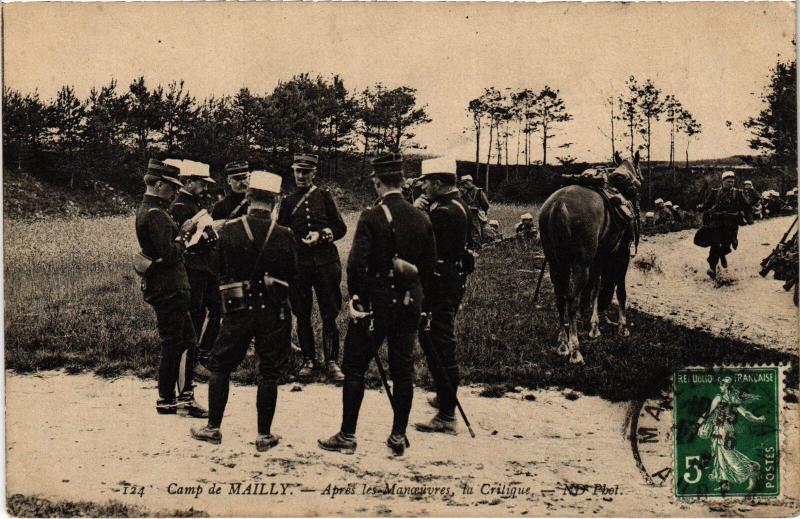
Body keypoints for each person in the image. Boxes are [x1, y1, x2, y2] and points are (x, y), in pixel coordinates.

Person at [318, 153, 436, 456]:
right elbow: (429, 265)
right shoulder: (422, 217)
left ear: (377, 181)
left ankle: (347, 435)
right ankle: (398, 435)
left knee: (355, 367)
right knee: (403, 371)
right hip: (409, 303)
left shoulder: (371, 216)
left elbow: (357, 264)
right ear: (403, 182)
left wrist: (357, 298)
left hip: (375, 304)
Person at [191, 171, 297, 450]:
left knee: (221, 366)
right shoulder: (286, 235)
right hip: (273, 311)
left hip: (237, 308)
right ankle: (264, 435)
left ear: (248, 197)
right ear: (275, 200)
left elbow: (215, 269)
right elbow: (293, 276)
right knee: (269, 373)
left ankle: (213, 428)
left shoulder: (229, 230)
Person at [134, 159, 207, 417]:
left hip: (165, 287)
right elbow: (171, 253)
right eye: (172, 186)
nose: (176, 192)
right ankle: (174, 398)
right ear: (158, 184)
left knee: (181, 341)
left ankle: (175, 398)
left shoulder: (151, 210)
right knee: (178, 342)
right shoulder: (156, 214)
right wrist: (186, 233)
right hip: (170, 288)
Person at [411, 157, 471, 435]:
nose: (421, 186)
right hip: (448, 281)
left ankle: (447, 415)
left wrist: (416, 213)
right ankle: (443, 397)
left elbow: (418, 242)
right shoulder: (455, 204)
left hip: (439, 285)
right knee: (433, 337)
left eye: (425, 181)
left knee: (438, 341)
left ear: (437, 183)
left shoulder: (444, 212)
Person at [277, 153, 347, 382]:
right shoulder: (287, 202)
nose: (301, 176)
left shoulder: (324, 197)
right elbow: (282, 232)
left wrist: (322, 235)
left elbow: (340, 227)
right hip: (300, 266)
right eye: (297, 171)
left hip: (326, 263)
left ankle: (332, 361)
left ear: (314, 173)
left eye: (305, 172)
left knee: (329, 313)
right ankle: (309, 360)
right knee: (302, 312)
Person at [168, 160, 220, 364]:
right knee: (196, 314)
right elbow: (186, 241)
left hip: (206, 267)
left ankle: (203, 351)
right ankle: (192, 357)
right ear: (188, 182)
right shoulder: (180, 207)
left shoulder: (194, 204)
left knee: (217, 309)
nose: (205, 188)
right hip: (193, 267)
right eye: (202, 183)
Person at [696, 375, 765, 492]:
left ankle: (751, 468)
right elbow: (746, 414)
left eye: (723, 384)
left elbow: (708, 412)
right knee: (720, 456)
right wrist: (757, 419)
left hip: (724, 430)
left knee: (728, 456)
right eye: (721, 384)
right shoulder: (729, 399)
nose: (721, 386)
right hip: (723, 430)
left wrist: (698, 424)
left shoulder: (723, 399)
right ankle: (724, 484)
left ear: (728, 387)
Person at [702, 170, 749, 278]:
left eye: (732, 182)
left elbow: (746, 205)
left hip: (731, 224)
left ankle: (722, 255)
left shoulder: (738, 193)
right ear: (722, 182)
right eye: (728, 182)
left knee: (726, 246)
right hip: (716, 223)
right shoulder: (715, 192)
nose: (730, 184)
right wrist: (706, 210)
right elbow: (707, 205)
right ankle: (712, 268)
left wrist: (743, 214)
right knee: (715, 244)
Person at [459, 174, 490, 246]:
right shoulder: (462, 192)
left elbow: (485, 204)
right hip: (465, 214)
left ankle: (477, 246)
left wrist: (482, 211)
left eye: (466, 182)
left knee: (476, 231)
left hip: (476, 214)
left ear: (471, 182)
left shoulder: (478, 191)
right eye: (463, 183)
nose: (465, 185)